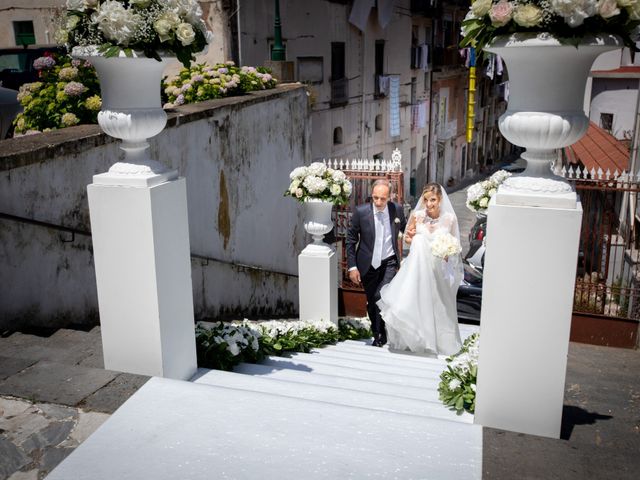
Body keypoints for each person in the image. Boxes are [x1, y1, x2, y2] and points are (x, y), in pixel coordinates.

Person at [377, 183, 463, 356]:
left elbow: (456, 246)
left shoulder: (449, 219)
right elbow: (408, 240)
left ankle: (439, 342)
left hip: (438, 270)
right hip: (418, 269)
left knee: (439, 305)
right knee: (417, 300)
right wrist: (411, 238)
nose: (429, 203)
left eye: (433, 200)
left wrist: (447, 253)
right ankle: (417, 339)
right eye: (426, 200)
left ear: (439, 200)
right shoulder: (417, 216)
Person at [345, 179, 407, 347]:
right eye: (375, 198)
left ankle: (381, 333)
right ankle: (377, 332)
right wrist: (352, 266)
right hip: (366, 264)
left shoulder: (397, 210)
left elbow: (407, 230)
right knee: (372, 300)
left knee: (382, 296)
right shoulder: (361, 212)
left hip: (389, 262)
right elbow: (350, 240)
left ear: (390, 197)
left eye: (383, 198)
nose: (379, 202)